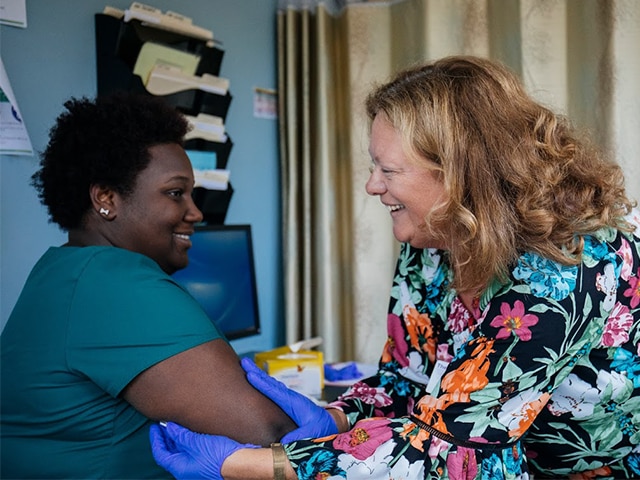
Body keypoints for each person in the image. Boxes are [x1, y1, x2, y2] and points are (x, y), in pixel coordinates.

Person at [150, 55, 640, 479]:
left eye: (388, 170)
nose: (372, 186)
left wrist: (251, 465)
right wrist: (338, 416)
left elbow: (455, 444)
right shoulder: (434, 238)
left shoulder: (569, 263)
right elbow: (406, 383)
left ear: (460, 174)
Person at [0, 92, 301, 479]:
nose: (195, 212)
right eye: (176, 193)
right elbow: (272, 436)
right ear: (106, 199)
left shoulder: (61, 269)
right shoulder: (114, 281)